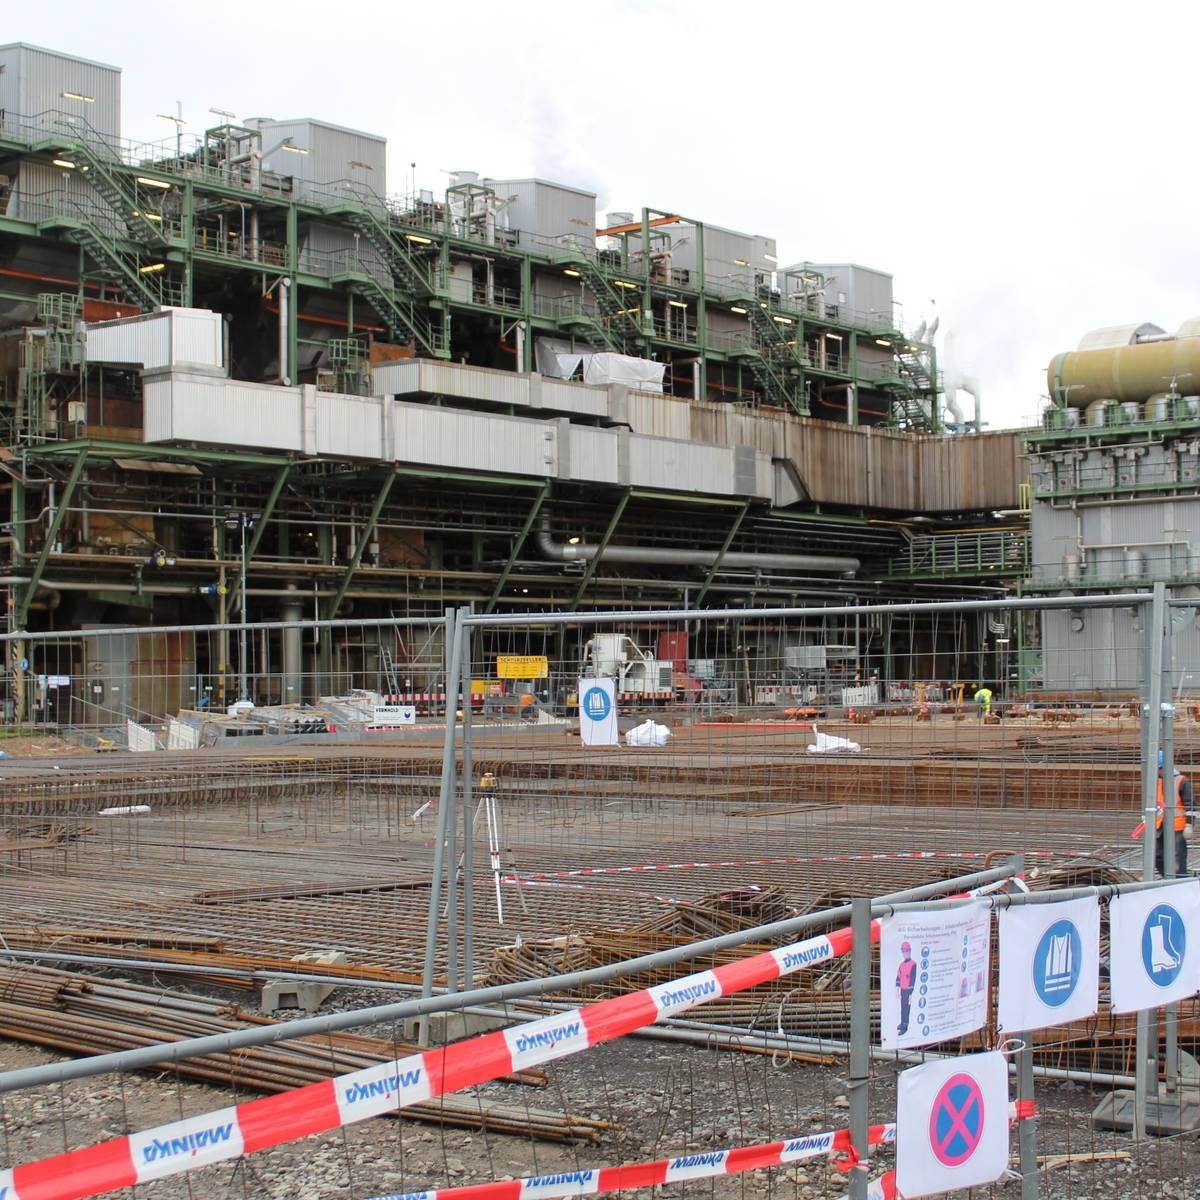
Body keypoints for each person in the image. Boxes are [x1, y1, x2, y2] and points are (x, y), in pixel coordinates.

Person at [1155, 751, 1195, 878]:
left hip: (1177, 827)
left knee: (1178, 859)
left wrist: (1189, 824)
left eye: (1159, 768)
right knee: (1157, 857)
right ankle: (1168, 880)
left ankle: (1179, 883)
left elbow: (1191, 805)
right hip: (1160, 826)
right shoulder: (1156, 782)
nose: (1158, 771)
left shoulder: (1181, 781)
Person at [896, 940, 917, 1036]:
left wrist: (911, 993)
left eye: (907, 951)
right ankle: (902, 1022)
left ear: (910, 951)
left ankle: (905, 1025)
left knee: (906, 1008)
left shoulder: (913, 964)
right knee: (902, 1007)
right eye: (904, 951)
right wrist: (897, 990)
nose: (905, 953)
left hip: (908, 990)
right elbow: (898, 977)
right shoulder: (901, 965)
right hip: (902, 990)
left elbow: (913, 979)